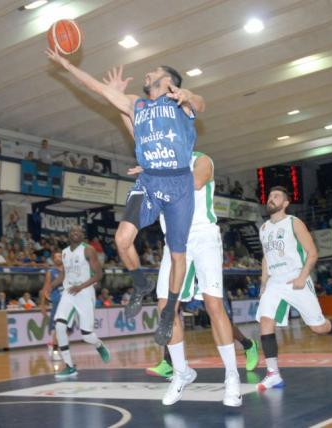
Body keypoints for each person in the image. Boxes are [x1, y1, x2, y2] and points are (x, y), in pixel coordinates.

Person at [46, 53, 204, 347]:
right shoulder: (136, 104)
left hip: (179, 184)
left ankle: (169, 310)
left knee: (177, 254)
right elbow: (97, 89)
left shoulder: (179, 103)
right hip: (149, 181)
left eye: (154, 71)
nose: (147, 74)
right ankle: (141, 284)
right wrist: (68, 66)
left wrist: (188, 95)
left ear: (168, 80)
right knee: (121, 240)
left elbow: (200, 103)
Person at [134, 152, 257, 407]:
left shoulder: (201, 159)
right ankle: (181, 372)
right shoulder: (159, 165)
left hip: (203, 237)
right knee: (165, 307)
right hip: (174, 240)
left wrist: (154, 175)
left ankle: (232, 376)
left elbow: (196, 182)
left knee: (213, 305)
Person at [256, 186, 332, 391]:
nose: (271, 199)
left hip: (296, 277)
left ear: (285, 203)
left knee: (318, 327)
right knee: (265, 322)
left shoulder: (294, 222)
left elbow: (312, 253)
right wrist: (263, 283)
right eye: (269, 196)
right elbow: (266, 257)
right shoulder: (264, 228)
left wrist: (302, 277)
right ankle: (273, 373)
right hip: (275, 282)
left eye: (276, 196)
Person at [42, 226, 110, 378]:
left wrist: (81, 286)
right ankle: (69, 366)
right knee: (59, 326)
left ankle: (99, 345)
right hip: (69, 292)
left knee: (86, 335)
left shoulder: (88, 250)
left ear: (83, 235)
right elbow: (64, 275)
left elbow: (99, 274)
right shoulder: (65, 252)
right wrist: (51, 286)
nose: (75, 233)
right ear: (68, 235)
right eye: (73, 231)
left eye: (79, 231)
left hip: (84, 292)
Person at [40, 250, 65, 361]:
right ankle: (55, 351)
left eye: (60, 256)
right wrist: (43, 305)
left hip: (68, 302)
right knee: (58, 328)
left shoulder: (68, 271)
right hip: (57, 301)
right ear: (53, 260)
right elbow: (45, 289)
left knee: (67, 330)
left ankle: (52, 345)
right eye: (56, 257)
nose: (58, 258)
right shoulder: (51, 272)